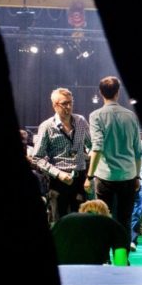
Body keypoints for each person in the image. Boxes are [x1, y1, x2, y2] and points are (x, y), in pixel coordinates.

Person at [86, 76, 142, 245]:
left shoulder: (96, 116)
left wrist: (89, 176)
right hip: (128, 176)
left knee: (103, 219)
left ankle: (104, 256)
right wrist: (137, 176)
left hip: (105, 177)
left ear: (100, 93)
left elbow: (97, 147)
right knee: (124, 221)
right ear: (118, 92)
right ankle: (121, 257)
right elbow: (138, 151)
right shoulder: (131, 116)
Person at [32, 88, 92, 219]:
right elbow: (37, 158)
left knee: (80, 222)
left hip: (80, 180)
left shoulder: (81, 121)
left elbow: (91, 145)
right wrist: (58, 174)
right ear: (55, 105)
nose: (69, 107)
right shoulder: (47, 126)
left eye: (71, 102)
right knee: (60, 223)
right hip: (58, 183)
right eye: (64, 103)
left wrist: (90, 157)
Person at [51, 199, 129, 265]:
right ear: (106, 213)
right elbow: (120, 263)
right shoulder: (112, 224)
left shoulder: (63, 221)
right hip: (92, 272)